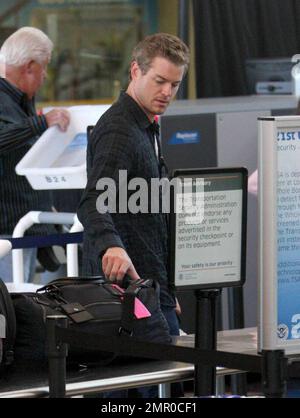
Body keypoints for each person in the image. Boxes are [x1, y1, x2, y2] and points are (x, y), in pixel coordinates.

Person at [77, 33, 189, 396]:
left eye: (174, 84)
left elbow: (152, 216)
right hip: (127, 300)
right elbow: (94, 200)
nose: (167, 92)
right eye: (159, 81)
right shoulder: (119, 130)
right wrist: (111, 246)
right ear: (135, 70)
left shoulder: (148, 124)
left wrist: (168, 289)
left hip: (151, 291)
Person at [0, 27, 70, 282]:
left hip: (24, 227)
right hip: (7, 232)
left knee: (23, 307)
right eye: (44, 67)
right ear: (29, 66)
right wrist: (41, 124)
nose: (45, 76)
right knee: (10, 310)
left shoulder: (20, 102)